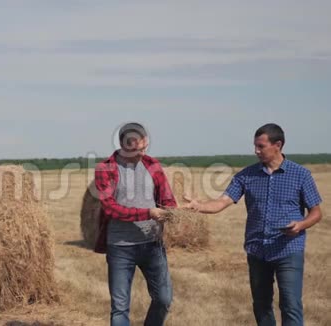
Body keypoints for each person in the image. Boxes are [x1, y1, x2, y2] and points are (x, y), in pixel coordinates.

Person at [184, 123, 323, 326]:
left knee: (290, 305)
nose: (256, 151)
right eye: (255, 146)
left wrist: (300, 225)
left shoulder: (301, 175)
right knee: (261, 305)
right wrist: (199, 206)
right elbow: (222, 202)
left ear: (278, 145)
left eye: (261, 146)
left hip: (288, 249)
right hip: (257, 250)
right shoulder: (246, 175)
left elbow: (316, 212)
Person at [94, 122, 177, 326]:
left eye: (143, 147)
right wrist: (147, 212)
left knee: (164, 299)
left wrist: (173, 211)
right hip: (120, 246)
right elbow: (111, 208)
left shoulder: (153, 165)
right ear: (122, 144)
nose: (141, 153)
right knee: (120, 308)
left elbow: (167, 198)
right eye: (135, 149)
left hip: (152, 245)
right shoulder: (105, 169)